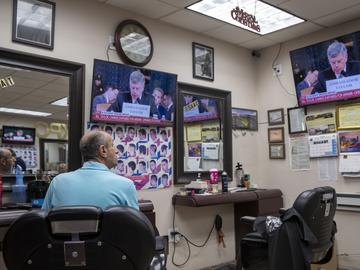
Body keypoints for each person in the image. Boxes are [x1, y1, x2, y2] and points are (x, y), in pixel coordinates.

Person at [41, 131, 138, 210]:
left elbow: (44, 220)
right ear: (103, 150)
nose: (116, 151)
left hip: (67, 234)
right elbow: (135, 228)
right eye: (112, 145)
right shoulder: (125, 185)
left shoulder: (57, 182)